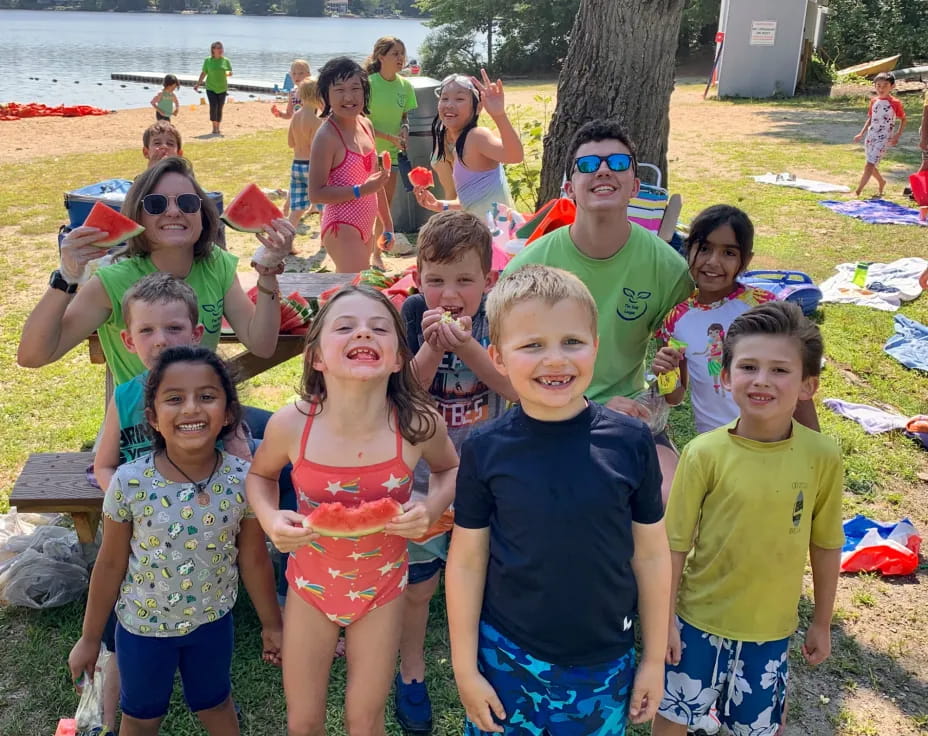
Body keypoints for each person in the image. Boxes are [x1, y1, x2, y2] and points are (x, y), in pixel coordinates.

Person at [447, 264, 671, 735]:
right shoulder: (485, 449)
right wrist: (466, 670)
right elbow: (467, 561)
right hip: (506, 657)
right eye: (532, 345)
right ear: (498, 357)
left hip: (604, 661)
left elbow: (650, 555)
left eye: (572, 341)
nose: (555, 360)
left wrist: (652, 658)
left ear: (595, 345)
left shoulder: (631, 442)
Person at [245, 285, 459, 736]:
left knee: (366, 722)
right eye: (345, 327)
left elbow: (450, 469)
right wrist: (269, 518)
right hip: (308, 590)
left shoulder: (418, 424)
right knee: (303, 723)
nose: (364, 333)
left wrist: (432, 504)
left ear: (399, 358)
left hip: (382, 590)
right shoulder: (292, 424)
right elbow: (260, 477)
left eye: (379, 328)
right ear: (317, 357)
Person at [68, 345, 283, 735]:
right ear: (152, 417)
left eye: (206, 396)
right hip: (142, 630)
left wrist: (273, 624)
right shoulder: (129, 482)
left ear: (228, 413)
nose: (191, 409)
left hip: (213, 625)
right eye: (174, 399)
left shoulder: (242, 480)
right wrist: (88, 639)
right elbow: (111, 564)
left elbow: (253, 559)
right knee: (142, 716)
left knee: (215, 703)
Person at [652, 301, 844, 736]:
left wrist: (822, 621)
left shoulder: (822, 458)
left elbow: (827, 543)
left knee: (758, 726)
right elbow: (674, 544)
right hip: (696, 622)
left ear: (807, 385)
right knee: (673, 717)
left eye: (780, 370)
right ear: (725, 377)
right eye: (749, 367)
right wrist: (664, 622)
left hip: (770, 632)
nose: (761, 380)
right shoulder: (704, 453)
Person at [502, 119, 693, 502]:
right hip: (545, 410)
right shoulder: (530, 267)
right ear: (570, 188)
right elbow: (511, 369)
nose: (603, 170)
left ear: (635, 186)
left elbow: (676, 389)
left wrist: (668, 383)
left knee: (671, 491)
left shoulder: (668, 269)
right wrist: (589, 408)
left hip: (629, 414)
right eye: (588, 165)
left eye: (618, 163)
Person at [17, 156, 294, 387]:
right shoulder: (112, 281)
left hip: (203, 417)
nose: (174, 212)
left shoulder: (216, 264)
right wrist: (65, 278)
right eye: (156, 204)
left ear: (202, 213)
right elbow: (33, 356)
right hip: (140, 429)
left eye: (186, 203)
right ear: (137, 217)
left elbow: (261, 345)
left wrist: (267, 272)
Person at [395, 210, 516, 733]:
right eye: (437, 279)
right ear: (419, 277)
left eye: (465, 280)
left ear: (488, 281)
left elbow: (513, 389)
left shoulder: (500, 318)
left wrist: (467, 347)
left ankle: (485, 670)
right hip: (421, 483)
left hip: (487, 483)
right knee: (418, 587)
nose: (450, 292)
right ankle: (411, 671)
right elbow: (399, 397)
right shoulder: (409, 314)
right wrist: (428, 348)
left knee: (485, 582)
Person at [653, 204, 821, 440]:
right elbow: (675, 397)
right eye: (704, 249)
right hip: (716, 449)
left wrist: (815, 445)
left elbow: (799, 387)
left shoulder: (765, 307)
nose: (713, 261)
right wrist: (666, 373)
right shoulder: (675, 319)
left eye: (729, 253)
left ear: (746, 260)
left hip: (776, 443)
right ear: (688, 249)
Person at [308, 57, 393, 273]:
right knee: (357, 294)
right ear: (326, 95)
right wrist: (361, 190)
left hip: (367, 224)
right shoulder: (326, 136)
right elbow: (316, 194)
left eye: (356, 88)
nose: (348, 97)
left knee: (348, 293)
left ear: (365, 91)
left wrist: (388, 225)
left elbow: (377, 182)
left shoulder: (366, 125)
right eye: (339, 90)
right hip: (341, 226)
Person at [413, 71, 523, 219]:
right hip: (481, 236)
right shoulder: (459, 142)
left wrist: (499, 115)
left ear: (477, 108)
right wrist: (440, 205)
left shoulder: (476, 137)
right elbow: (471, 201)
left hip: (497, 238)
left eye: (459, 99)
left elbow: (515, 156)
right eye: (444, 98)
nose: (449, 105)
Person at [364, 36, 418, 266]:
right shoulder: (367, 84)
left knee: (383, 206)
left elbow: (405, 118)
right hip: (366, 155)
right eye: (395, 53)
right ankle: (360, 254)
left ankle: (376, 255)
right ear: (380, 56)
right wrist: (388, 137)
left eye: (402, 53)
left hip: (392, 157)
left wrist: (404, 131)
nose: (400, 58)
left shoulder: (405, 86)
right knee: (365, 205)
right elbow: (360, 122)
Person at [853, 72, 906, 197]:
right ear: (875, 86)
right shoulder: (874, 101)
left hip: (884, 138)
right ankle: (881, 181)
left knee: (870, 164)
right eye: (878, 85)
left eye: (885, 85)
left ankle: (858, 191)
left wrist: (897, 135)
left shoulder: (895, 103)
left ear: (892, 86)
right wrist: (861, 133)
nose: (881, 89)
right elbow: (871, 118)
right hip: (871, 136)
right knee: (870, 165)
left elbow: (903, 119)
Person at [287, 78, 324, 234]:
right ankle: (324, 240)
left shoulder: (296, 116)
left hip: (296, 165)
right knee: (324, 207)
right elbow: (318, 149)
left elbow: (290, 142)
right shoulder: (317, 121)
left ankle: (286, 241)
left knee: (296, 209)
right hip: (312, 167)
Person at [194, 41, 232, 137]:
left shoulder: (226, 61)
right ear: (213, 50)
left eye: (221, 48)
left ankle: (218, 127)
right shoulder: (208, 61)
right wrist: (198, 84)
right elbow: (204, 73)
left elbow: (230, 72)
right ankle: (214, 127)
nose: (220, 50)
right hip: (210, 87)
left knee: (220, 108)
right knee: (213, 106)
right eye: (218, 48)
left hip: (222, 88)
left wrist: (227, 73)